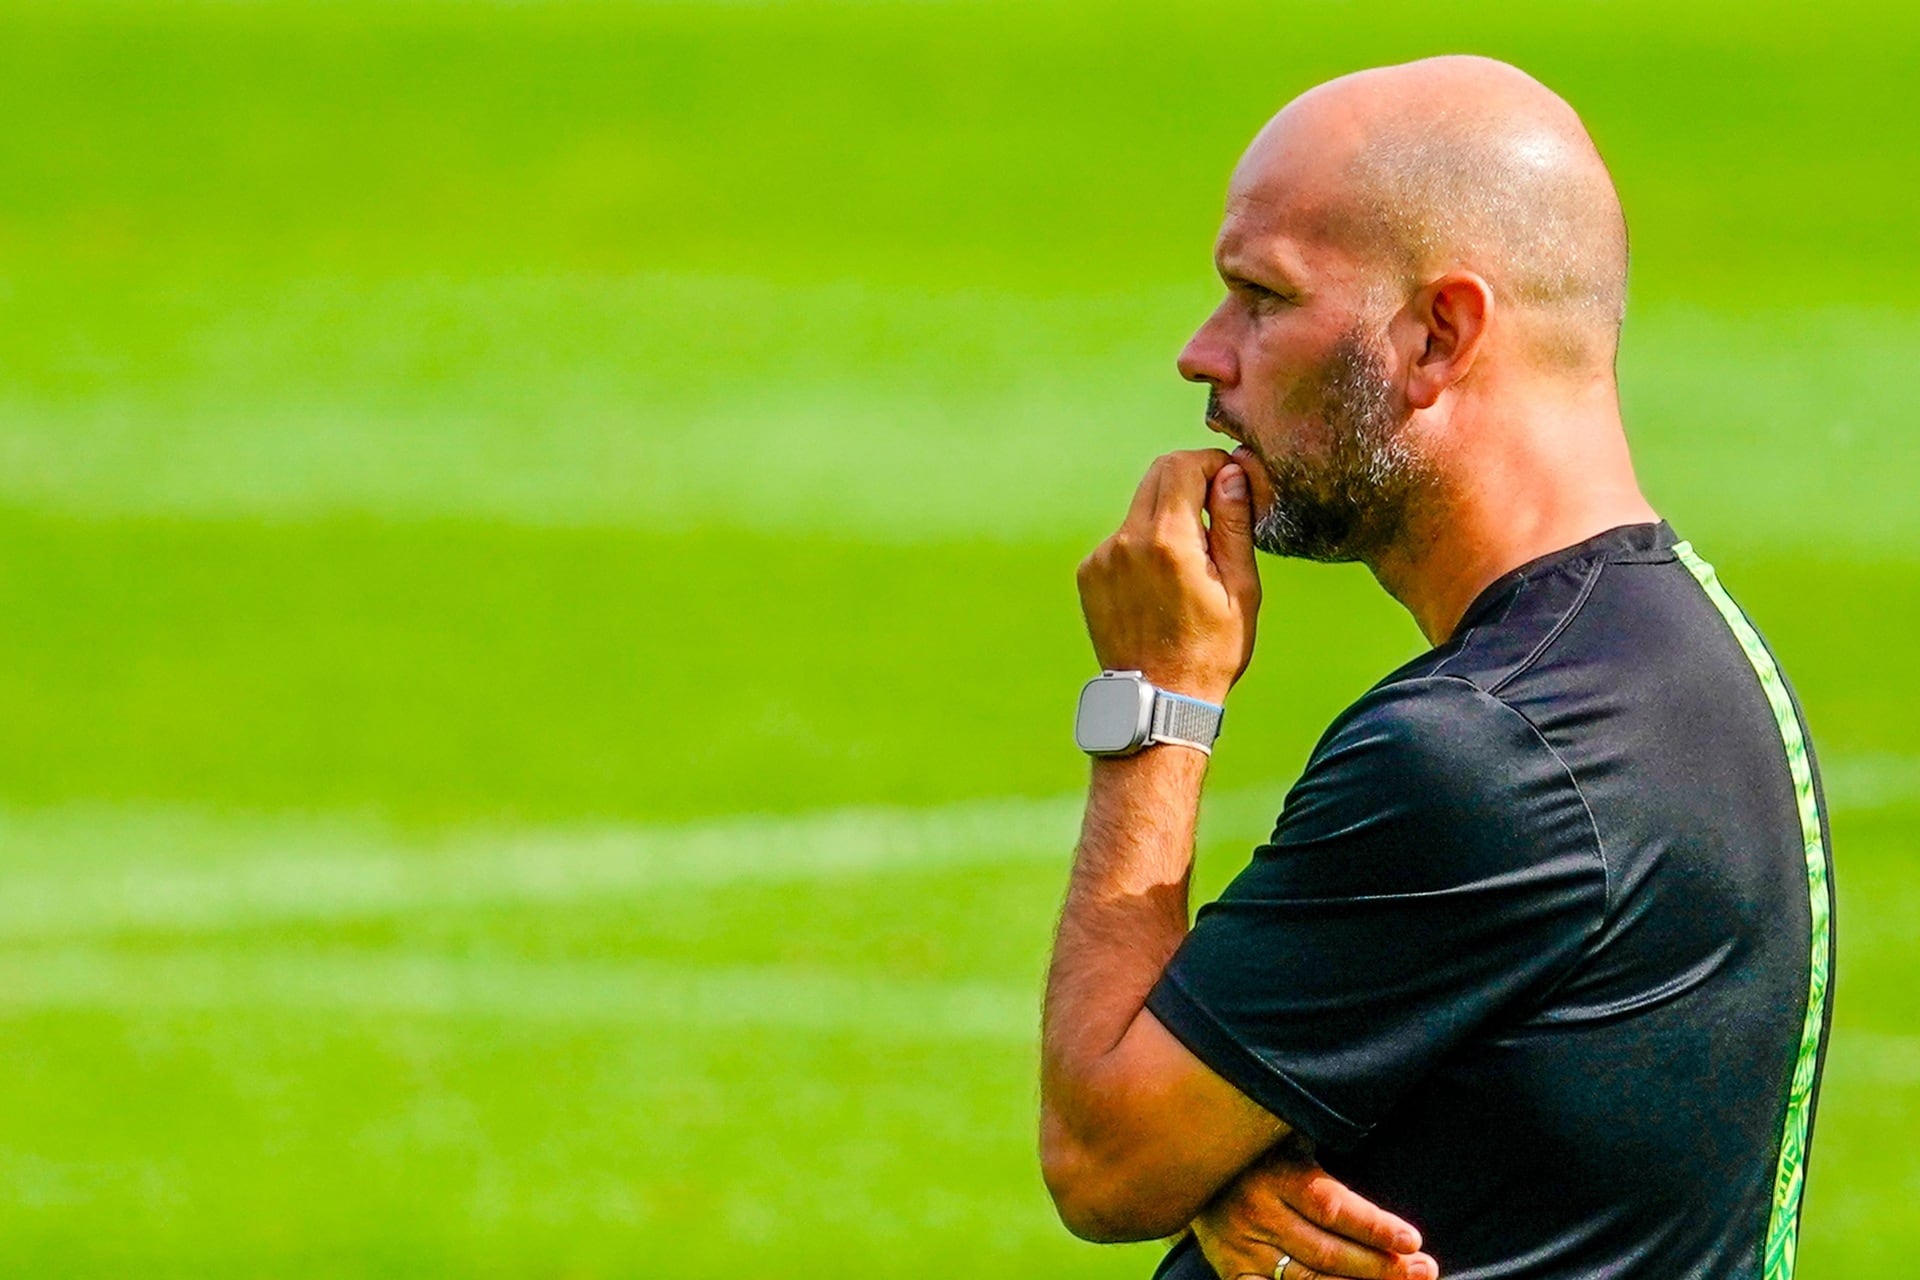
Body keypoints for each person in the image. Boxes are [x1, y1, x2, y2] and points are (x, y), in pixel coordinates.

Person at [1038, 55, 1834, 1280]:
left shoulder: (1487, 750)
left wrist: (1158, 701)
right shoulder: (1695, 657)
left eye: (1260, 296)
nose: (1202, 354)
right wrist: (1234, 1159)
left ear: (1438, 333)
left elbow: (1103, 1156)